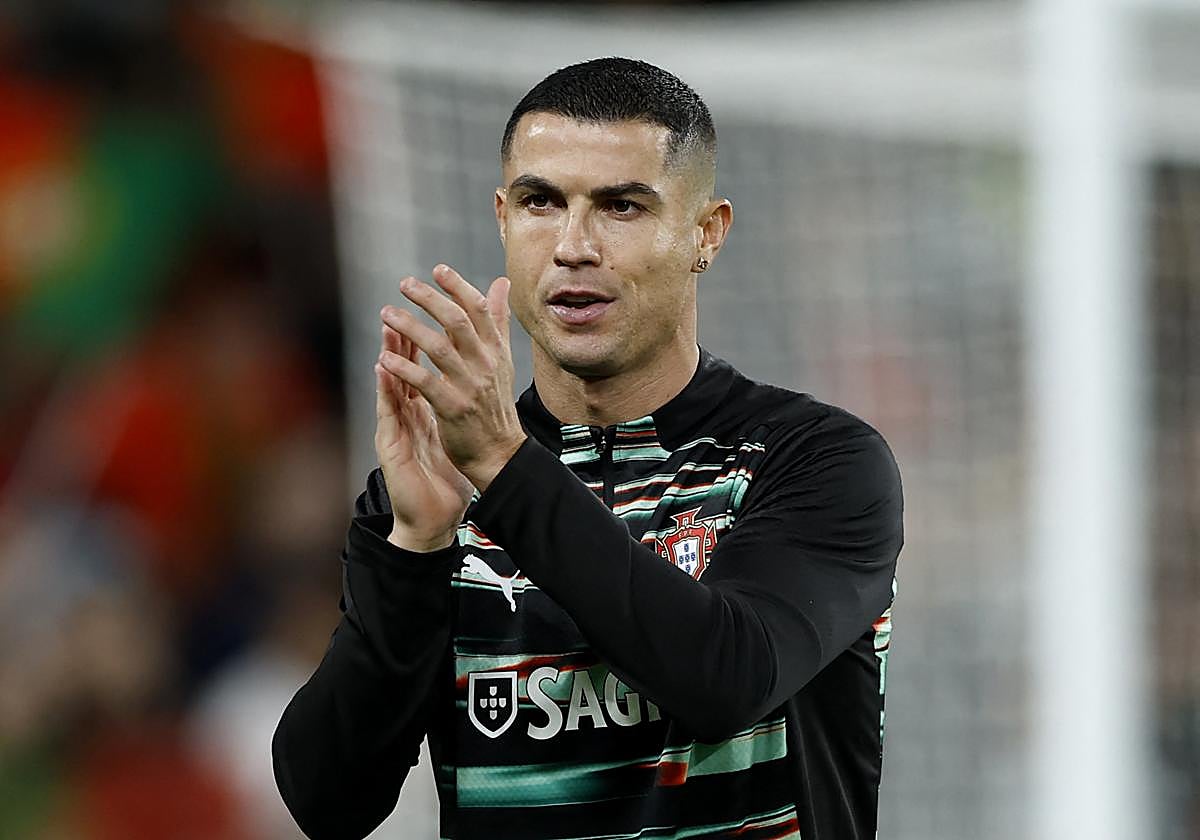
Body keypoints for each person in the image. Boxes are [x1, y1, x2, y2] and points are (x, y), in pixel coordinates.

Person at [272, 57, 903, 840]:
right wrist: (414, 548)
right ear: (502, 219)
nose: (574, 245)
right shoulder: (439, 484)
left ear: (706, 233)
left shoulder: (812, 461)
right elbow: (327, 803)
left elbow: (727, 679)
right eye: (542, 202)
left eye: (622, 206)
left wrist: (505, 467)